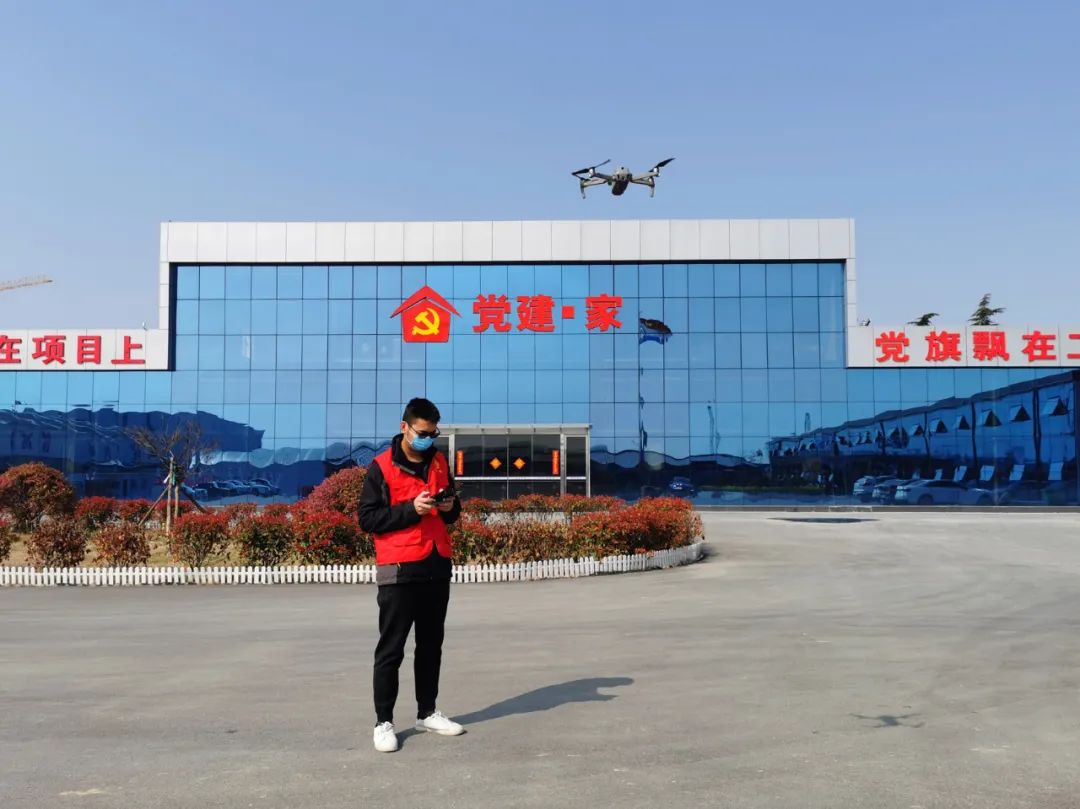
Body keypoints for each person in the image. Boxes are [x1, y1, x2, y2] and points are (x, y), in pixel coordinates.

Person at [358, 397, 464, 753]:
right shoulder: (381, 467)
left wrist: (449, 506)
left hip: (436, 563)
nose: (427, 439)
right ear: (404, 427)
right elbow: (368, 519)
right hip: (399, 569)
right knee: (391, 649)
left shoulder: (439, 461)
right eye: (422, 433)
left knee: (431, 645)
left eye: (433, 434)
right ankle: (383, 722)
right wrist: (410, 509)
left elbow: (453, 512)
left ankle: (427, 712)